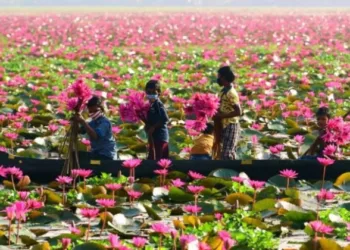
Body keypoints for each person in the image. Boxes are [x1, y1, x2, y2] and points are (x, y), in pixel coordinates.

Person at [74, 96, 117, 160]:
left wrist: (83, 122)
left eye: (94, 110)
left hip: (106, 155)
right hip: (96, 153)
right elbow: (80, 131)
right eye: (90, 110)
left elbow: (95, 136)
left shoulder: (104, 122)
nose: (91, 112)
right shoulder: (92, 122)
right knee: (75, 154)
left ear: (100, 108)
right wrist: (75, 121)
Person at [213, 66, 242, 160]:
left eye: (219, 76)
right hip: (223, 124)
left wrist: (221, 116)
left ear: (224, 78)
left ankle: (229, 173)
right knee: (220, 151)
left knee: (227, 153)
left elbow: (238, 111)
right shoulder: (222, 91)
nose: (218, 78)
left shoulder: (231, 93)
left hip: (231, 124)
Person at [145, 80, 169, 160]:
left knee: (157, 160)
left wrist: (153, 127)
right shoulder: (149, 104)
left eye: (153, 93)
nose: (151, 95)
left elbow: (165, 118)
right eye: (149, 92)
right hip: (154, 137)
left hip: (160, 136)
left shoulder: (158, 104)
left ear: (159, 93)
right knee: (153, 158)